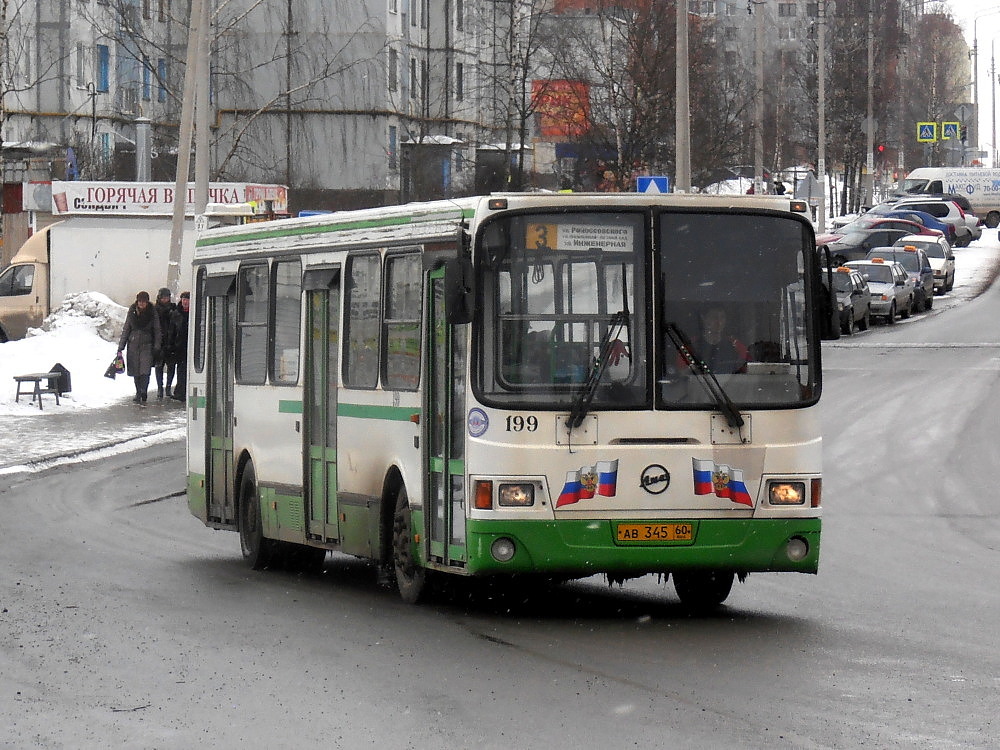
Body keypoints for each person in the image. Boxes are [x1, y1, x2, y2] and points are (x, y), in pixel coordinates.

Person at [117, 291, 162, 405]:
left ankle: (144, 391)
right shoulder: (132, 311)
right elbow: (126, 328)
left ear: (147, 302)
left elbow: (157, 330)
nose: (141, 304)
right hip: (133, 345)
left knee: (145, 371)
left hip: (147, 345)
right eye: (140, 301)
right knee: (135, 370)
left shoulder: (152, 312)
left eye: (144, 302)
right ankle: (138, 392)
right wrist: (121, 346)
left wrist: (157, 346)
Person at [686, 307, 749, 375]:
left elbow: (749, 370)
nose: (719, 322)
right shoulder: (691, 346)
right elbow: (682, 373)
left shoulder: (736, 345)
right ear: (703, 318)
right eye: (714, 317)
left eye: (722, 317)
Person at [152, 287, 176, 399]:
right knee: (159, 366)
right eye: (164, 297)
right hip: (159, 341)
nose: (166, 299)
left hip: (171, 341)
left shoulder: (173, 308)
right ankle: (160, 388)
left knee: (171, 366)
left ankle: (168, 387)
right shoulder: (155, 309)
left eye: (167, 297)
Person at [167, 291, 190, 401]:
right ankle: (180, 391)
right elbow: (172, 331)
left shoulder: (195, 312)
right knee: (181, 369)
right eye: (183, 299)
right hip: (180, 346)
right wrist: (171, 345)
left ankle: (186, 390)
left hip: (191, 345)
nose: (185, 302)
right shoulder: (176, 314)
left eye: (187, 299)